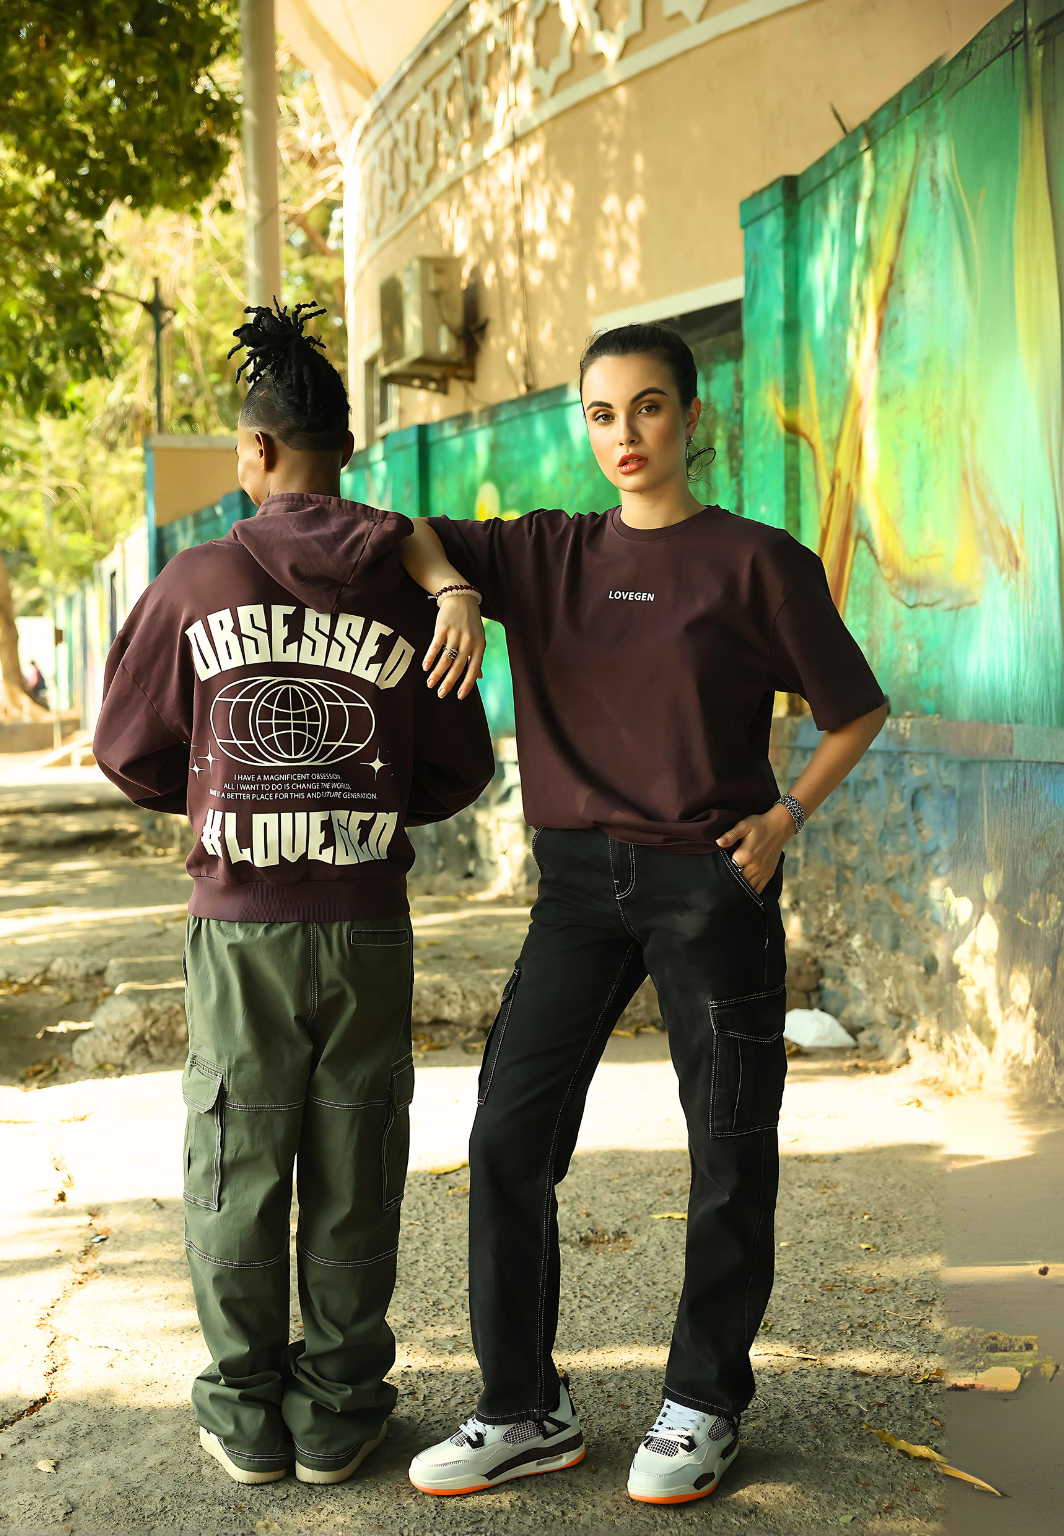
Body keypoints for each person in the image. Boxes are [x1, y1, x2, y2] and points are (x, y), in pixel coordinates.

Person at [394, 323, 889, 1505]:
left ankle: (703, 1399)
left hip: (708, 886)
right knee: (507, 1134)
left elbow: (854, 708)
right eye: (602, 414)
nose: (625, 435)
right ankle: (522, 1407)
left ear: (689, 416)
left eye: (649, 408)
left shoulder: (756, 564)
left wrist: (784, 817)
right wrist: (456, 589)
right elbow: (398, 532)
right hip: (575, 888)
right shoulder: (544, 554)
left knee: (726, 1146)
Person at [93, 300, 493, 1490]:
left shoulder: (194, 581)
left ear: (255, 451)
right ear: (348, 451)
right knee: (356, 1158)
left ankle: (245, 1414)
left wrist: (225, 795)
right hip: (365, 921)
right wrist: (359, 803)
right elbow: (457, 766)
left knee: (235, 1155)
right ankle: (336, 1412)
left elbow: (126, 749)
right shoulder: (408, 585)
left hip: (240, 928)